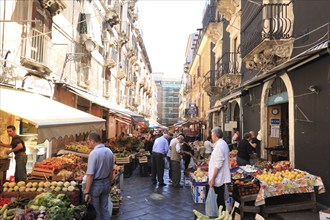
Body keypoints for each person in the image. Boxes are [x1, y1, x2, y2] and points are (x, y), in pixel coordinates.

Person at [84, 132, 114, 220]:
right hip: (106, 183)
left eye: (88, 142)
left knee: (96, 212)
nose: (87, 144)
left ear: (92, 141)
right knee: (105, 209)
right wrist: (110, 183)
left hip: (96, 185)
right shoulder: (109, 151)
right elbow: (111, 171)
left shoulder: (94, 153)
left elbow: (90, 175)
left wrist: (87, 192)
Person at [208, 127, 231, 208]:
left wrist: (213, 178)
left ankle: (221, 214)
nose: (211, 137)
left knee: (219, 199)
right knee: (220, 197)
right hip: (220, 176)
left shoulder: (219, 146)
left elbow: (218, 164)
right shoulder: (222, 143)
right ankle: (222, 213)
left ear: (215, 135)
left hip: (218, 177)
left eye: (212, 135)